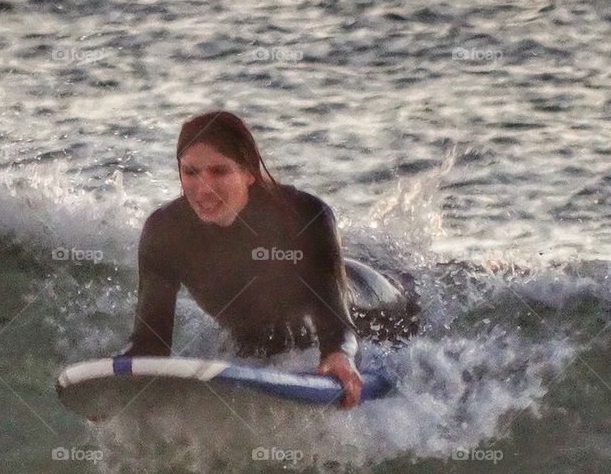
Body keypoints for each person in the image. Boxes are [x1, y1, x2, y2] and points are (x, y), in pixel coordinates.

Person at [121, 111, 408, 408]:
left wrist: (340, 355)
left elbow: (336, 327)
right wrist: (114, 385)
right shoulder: (164, 232)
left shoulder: (306, 217)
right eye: (190, 172)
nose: (203, 188)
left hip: (376, 305)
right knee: (261, 343)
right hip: (271, 332)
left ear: (249, 172)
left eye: (219, 171)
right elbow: (150, 343)